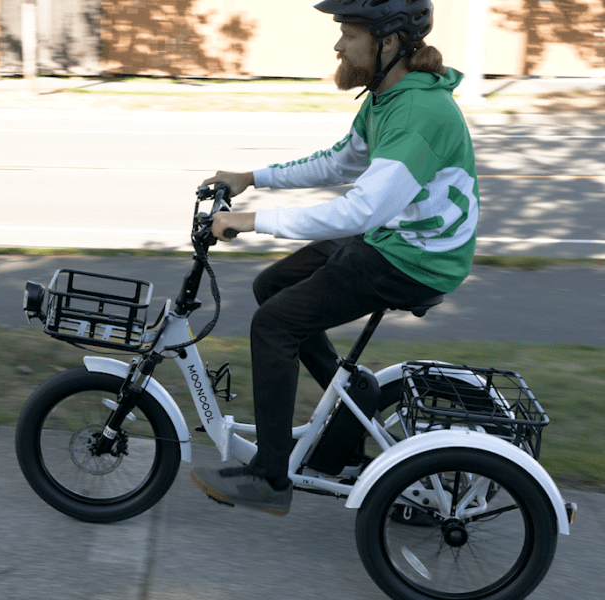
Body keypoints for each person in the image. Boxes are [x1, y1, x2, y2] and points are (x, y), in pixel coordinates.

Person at [190, 0, 479, 516]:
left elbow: (360, 210)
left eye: (349, 34)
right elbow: (339, 163)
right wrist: (252, 178)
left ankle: (269, 478)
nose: (338, 46)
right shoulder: (386, 99)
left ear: (388, 42)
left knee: (273, 326)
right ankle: (355, 398)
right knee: (271, 289)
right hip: (396, 237)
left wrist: (252, 221)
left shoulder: (418, 113)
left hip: (417, 259)